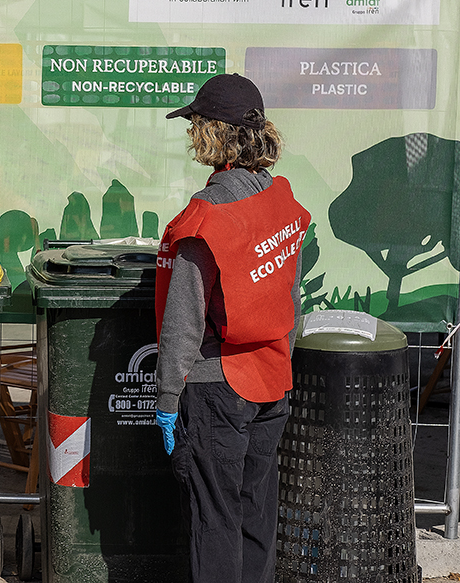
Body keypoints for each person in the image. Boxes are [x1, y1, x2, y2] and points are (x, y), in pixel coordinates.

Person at [153, 73, 310, 583]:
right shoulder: (283, 202)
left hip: (217, 387)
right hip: (271, 380)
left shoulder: (206, 215)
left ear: (214, 134)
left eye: (195, 124)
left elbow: (183, 322)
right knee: (256, 513)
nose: (191, 135)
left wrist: (167, 402)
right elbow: (292, 297)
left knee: (215, 521)